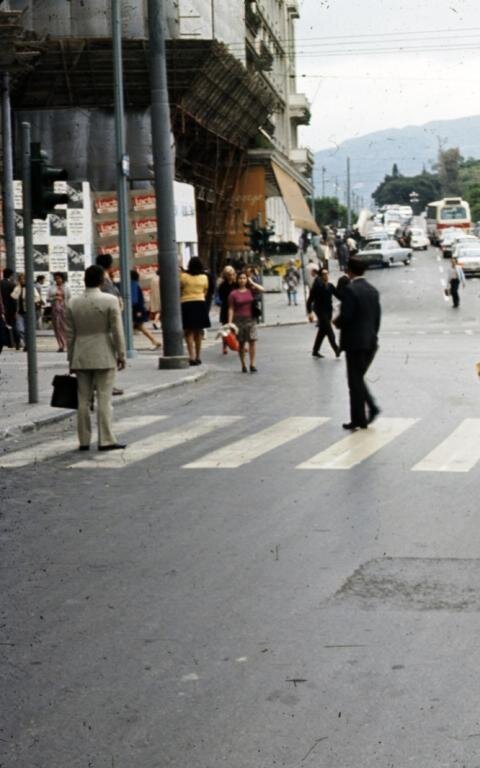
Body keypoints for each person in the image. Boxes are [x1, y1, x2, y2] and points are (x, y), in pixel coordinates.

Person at [65, 264, 126, 451]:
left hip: (81, 354)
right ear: (101, 280)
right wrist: (121, 353)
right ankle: (106, 439)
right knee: (104, 398)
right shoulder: (110, 300)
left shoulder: (73, 302)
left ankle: (83, 440)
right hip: (104, 352)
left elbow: (70, 334)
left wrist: (71, 358)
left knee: (82, 399)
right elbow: (117, 330)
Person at [333, 257, 381, 431]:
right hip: (370, 342)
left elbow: (347, 316)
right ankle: (361, 418)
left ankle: (365, 413)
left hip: (354, 343)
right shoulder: (373, 290)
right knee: (356, 379)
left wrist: (336, 322)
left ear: (349, 270)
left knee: (354, 380)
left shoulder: (350, 290)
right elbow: (377, 319)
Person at [95, 253, 124, 395]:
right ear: (110, 265)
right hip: (107, 323)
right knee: (108, 355)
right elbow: (112, 299)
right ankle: (106, 385)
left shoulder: (106, 280)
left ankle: (104, 384)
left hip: (105, 321)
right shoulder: (104, 282)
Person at [227, 271, 264, 373]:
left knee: (252, 341)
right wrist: (230, 323)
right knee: (242, 344)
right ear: (237, 280)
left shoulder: (251, 290)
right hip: (238, 320)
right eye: (240, 278)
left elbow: (262, 289)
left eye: (244, 278)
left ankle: (252, 364)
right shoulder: (233, 294)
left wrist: (252, 282)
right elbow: (231, 308)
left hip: (251, 319)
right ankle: (243, 364)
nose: (242, 280)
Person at [179, 256, 211, 365]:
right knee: (199, 331)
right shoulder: (204, 277)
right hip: (200, 303)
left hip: (187, 304)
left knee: (189, 331)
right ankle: (198, 356)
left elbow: (180, 289)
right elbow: (205, 291)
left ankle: (191, 356)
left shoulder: (183, 276)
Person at [307, 268, 340, 359]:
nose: (326, 276)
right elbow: (309, 301)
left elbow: (339, 295)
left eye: (327, 273)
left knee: (322, 331)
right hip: (320, 310)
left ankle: (315, 350)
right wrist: (310, 313)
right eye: (324, 274)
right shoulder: (317, 287)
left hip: (328, 311)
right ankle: (336, 349)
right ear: (321, 276)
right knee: (329, 330)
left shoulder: (330, 286)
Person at [130, 269, 161, 349]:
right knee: (140, 327)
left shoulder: (133, 285)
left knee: (133, 327)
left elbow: (134, 299)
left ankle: (128, 344)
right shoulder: (136, 285)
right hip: (138, 309)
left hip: (136, 309)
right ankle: (154, 341)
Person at [11, 273, 42, 352]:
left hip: (29, 312)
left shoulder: (31, 288)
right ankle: (26, 343)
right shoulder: (17, 288)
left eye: (24, 279)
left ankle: (28, 345)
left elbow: (37, 297)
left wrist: (30, 301)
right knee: (19, 329)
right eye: (21, 279)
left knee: (28, 329)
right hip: (19, 312)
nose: (22, 280)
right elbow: (13, 297)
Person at [47, 272, 71, 352]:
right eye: (56, 278)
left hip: (64, 309)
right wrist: (54, 298)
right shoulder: (52, 288)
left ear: (62, 279)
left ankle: (67, 344)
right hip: (55, 310)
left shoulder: (67, 287)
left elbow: (69, 298)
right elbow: (47, 298)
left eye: (59, 278)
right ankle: (61, 345)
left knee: (65, 327)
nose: (57, 280)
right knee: (57, 327)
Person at [216, 265, 237, 353]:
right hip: (225, 308)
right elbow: (221, 297)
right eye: (228, 274)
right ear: (225, 275)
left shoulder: (236, 284)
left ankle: (237, 344)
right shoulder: (222, 285)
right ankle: (224, 346)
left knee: (236, 327)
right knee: (225, 328)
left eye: (232, 274)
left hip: (236, 307)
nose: (230, 276)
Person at [0, 268, 20, 349]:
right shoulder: (13, 285)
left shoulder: (0, 283)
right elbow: (14, 299)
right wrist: (15, 310)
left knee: (3, 326)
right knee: (13, 326)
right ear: (11, 275)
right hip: (10, 309)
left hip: (1, 310)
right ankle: (16, 342)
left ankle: (7, 342)